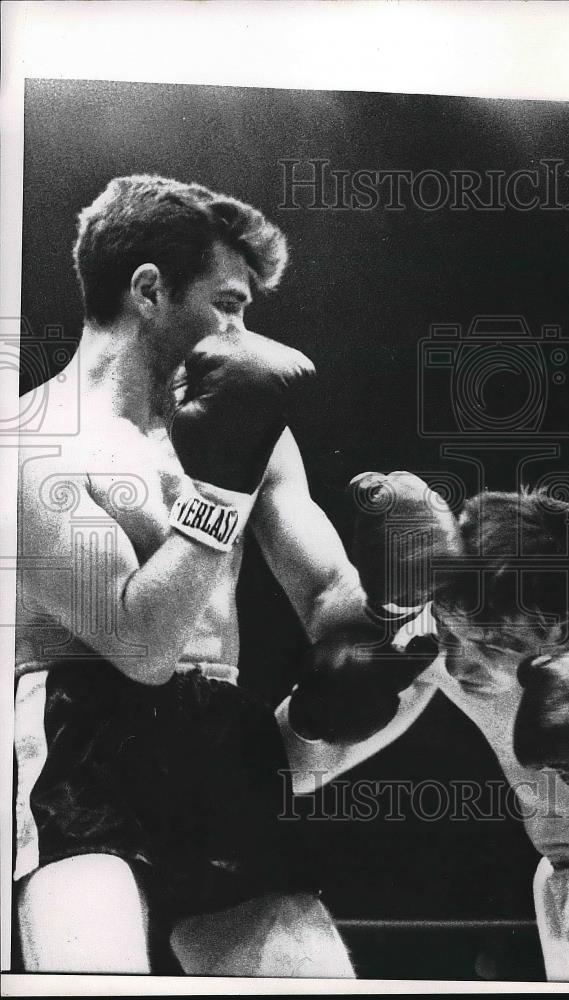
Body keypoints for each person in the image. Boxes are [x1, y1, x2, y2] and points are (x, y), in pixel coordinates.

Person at [14, 175, 367, 975]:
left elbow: (328, 594)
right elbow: (139, 645)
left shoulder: (251, 434)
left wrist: (391, 616)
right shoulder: (37, 446)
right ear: (148, 290)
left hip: (222, 734)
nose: (245, 332)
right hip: (82, 742)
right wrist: (222, 488)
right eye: (231, 303)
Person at [277, 471, 569, 983]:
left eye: (492, 645)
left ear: (564, 630)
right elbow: (290, 769)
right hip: (561, 892)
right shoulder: (434, 636)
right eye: (451, 633)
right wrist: (318, 716)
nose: (460, 667)